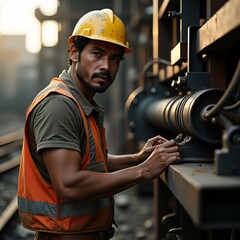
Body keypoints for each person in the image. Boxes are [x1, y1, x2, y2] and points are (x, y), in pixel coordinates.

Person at [17, 8, 180, 240]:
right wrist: (142, 171)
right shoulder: (59, 105)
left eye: (114, 58)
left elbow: (91, 164)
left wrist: (137, 158)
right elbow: (69, 184)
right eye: (97, 53)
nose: (106, 65)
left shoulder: (82, 104)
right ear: (74, 52)